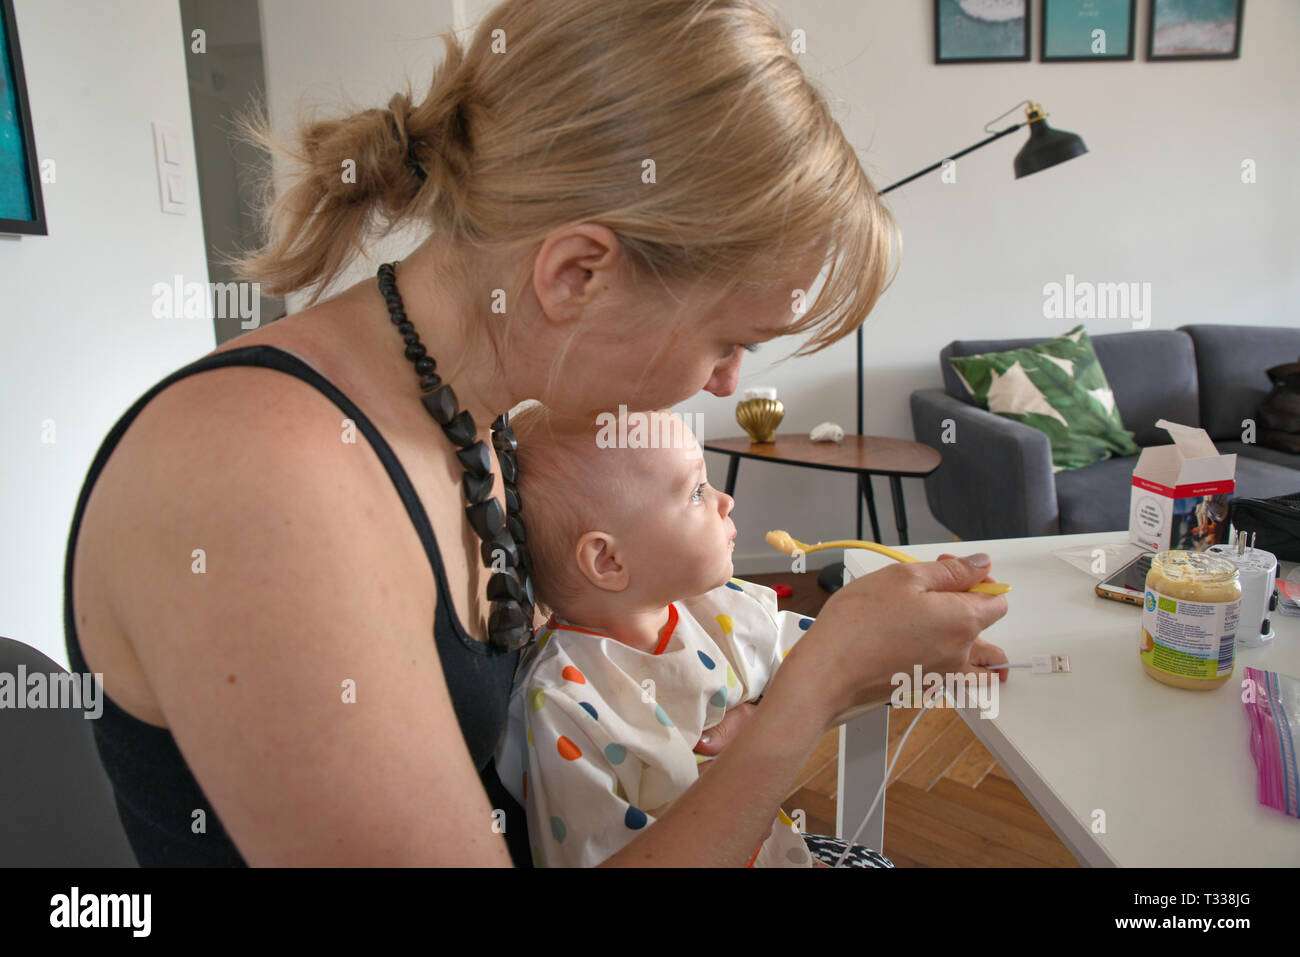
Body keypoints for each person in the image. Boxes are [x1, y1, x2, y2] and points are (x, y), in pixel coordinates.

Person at [63, 0, 1008, 866]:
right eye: (728, 339)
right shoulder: (269, 479)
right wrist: (808, 696)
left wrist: (841, 663)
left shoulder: (479, 430)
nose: (727, 382)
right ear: (575, 275)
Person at [497, 406, 944, 867]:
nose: (724, 500)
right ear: (608, 561)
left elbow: (833, 657)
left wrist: (928, 650)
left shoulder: (716, 608)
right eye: (696, 491)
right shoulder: (563, 705)